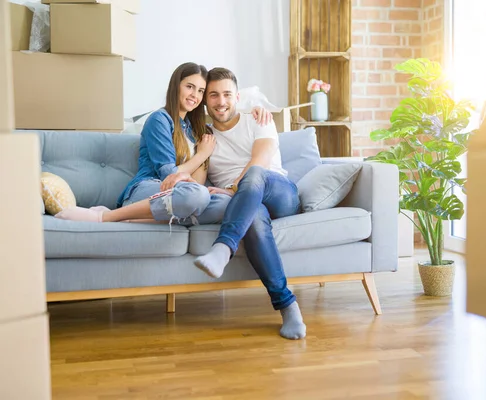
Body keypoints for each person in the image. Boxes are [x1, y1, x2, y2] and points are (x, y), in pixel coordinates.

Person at [55, 62, 271, 225]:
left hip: (180, 195)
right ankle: (106, 216)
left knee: (227, 205)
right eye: (190, 87)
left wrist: (254, 111)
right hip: (149, 188)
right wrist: (201, 156)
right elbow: (169, 176)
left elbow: (227, 111)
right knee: (196, 195)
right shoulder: (159, 119)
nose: (194, 95)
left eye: (200, 91)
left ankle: (144, 219)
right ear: (176, 86)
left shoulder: (195, 128)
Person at [193, 67, 306, 340]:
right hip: (248, 204)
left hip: (278, 192)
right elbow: (198, 185)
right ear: (205, 100)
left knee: (255, 174)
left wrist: (233, 189)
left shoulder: (258, 120)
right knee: (253, 217)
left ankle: (222, 248)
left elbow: (261, 162)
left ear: (237, 96)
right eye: (214, 95)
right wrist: (200, 154)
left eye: (227, 94)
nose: (221, 102)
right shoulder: (204, 136)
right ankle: (288, 306)